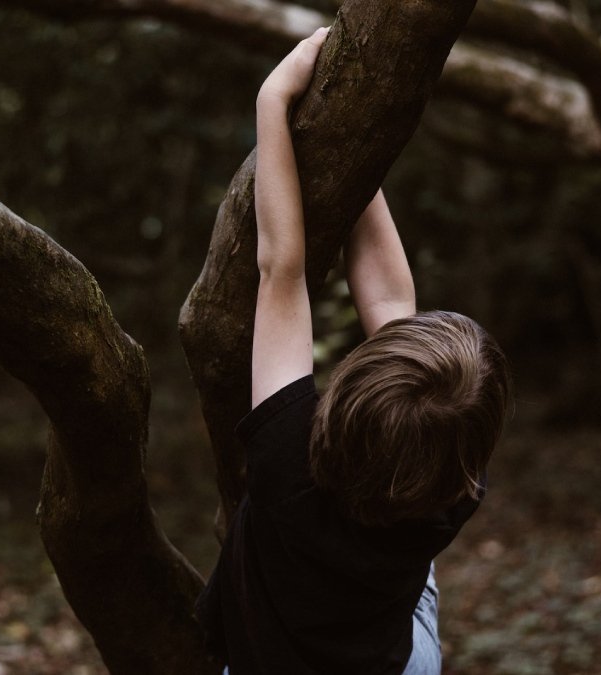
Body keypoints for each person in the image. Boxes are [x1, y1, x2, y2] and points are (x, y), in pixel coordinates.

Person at [196, 26, 512, 675]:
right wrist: (354, 157)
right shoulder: (453, 485)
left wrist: (273, 99)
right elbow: (389, 303)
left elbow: (282, 267)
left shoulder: (288, 459)